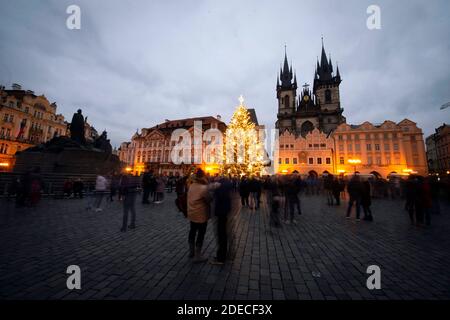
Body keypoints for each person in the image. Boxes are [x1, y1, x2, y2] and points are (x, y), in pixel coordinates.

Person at [187, 169, 211, 263]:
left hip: (192, 213)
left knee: (192, 231)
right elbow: (209, 200)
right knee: (201, 233)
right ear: (203, 177)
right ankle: (198, 255)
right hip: (201, 215)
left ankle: (191, 251)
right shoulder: (203, 188)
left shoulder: (192, 185)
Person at [210, 176, 233, 265]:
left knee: (221, 235)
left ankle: (220, 258)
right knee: (222, 235)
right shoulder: (225, 188)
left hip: (221, 213)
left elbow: (214, 197)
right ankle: (222, 255)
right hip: (224, 213)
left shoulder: (221, 189)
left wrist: (215, 189)